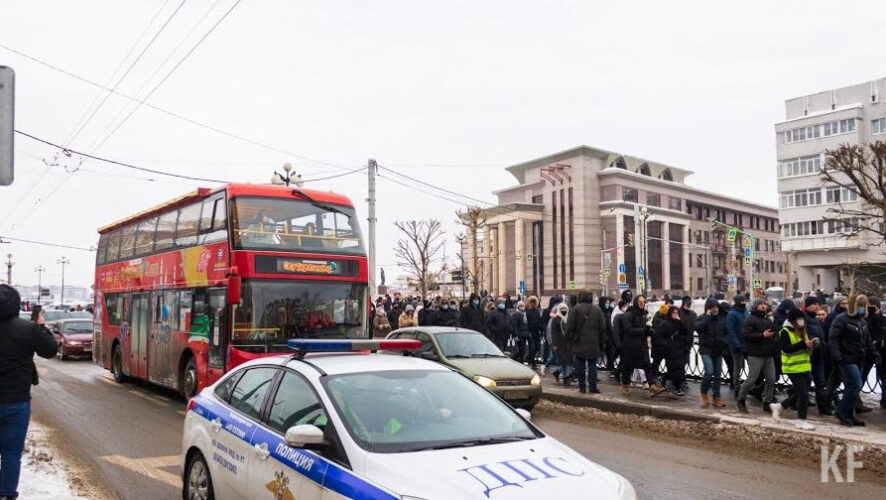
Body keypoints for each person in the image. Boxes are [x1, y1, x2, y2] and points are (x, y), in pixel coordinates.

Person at [1, 285, 58, 500]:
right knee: (11, 454)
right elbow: (51, 350)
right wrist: (41, 326)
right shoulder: (27, 329)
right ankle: (7, 494)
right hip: (16, 402)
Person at [829, 294, 879, 426]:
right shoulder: (841, 319)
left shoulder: (862, 322)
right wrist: (838, 356)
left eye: (864, 306)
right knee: (855, 384)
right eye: (860, 306)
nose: (862, 308)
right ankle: (841, 411)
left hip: (858, 358)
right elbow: (833, 339)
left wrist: (874, 353)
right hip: (846, 358)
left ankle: (850, 414)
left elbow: (867, 340)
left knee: (854, 387)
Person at [770, 309, 817, 430]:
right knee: (803, 394)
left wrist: (811, 345)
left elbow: (804, 344)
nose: (802, 321)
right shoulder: (784, 331)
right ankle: (801, 420)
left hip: (804, 366)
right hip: (792, 367)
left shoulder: (802, 330)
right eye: (799, 319)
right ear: (793, 320)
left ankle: (779, 407)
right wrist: (803, 344)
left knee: (801, 393)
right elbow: (786, 348)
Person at [618, 295, 666, 397]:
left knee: (647, 365)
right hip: (630, 345)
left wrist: (649, 332)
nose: (642, 303)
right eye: (640, 301)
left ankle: (652, 386)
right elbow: (628, 330)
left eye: (643, 302)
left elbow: (643, 329)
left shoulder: (643, 314)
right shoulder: (629, 315)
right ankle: (625, 386)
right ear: (636, 302)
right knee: (627, 366)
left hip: (641, 345)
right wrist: (643, 330)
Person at [737, 299, 777, 414]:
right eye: (760, 304)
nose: (763, 306)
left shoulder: (768, 319)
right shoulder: (750, 319)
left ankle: (767, 402)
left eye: (764, 304)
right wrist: (762, 335)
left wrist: (774, 338)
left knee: (771, 379)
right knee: (751, 380)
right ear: (755, 306)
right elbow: (745, 335)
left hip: (768, 354)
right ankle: (741, 400)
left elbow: (772, 333)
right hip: (755, 354)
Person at [564, 290, 606, 394]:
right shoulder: (597, 310)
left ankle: (582, 387)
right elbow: (602, 328)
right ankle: (593, 387)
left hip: (579, 342)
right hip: (594, 343)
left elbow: (569, 327)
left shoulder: (575, 309)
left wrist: (567, 339)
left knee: (580, 365)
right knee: (592, 365)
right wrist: (602, 343)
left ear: (580, 298)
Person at [695, 298, 728, 407]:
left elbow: (726, 333)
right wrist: (708, 318)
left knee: (718, 374)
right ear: (708, 308)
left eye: (716, 307)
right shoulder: (701, 318)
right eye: (712, 307)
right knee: (709, 371)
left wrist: (724, 341)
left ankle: (716, 397)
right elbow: (698, 328)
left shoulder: (721, 319)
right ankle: (703, 392)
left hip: (717, 350)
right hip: (706, 349)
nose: (715, 309)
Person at [803, 297, 831, 415]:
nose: (817, 306)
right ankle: (795, 404)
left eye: (817, 304)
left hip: (818, 356)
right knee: (806, 383)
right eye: (814, 304)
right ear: (808, 305)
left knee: (820, 382)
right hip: (808, 356)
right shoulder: (803, 318)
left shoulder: (814, 319)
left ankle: (823, 408)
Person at [656, 306, 691, 395]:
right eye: (673, 313)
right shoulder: (665, 323)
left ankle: (667, 379)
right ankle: (677, 387)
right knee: (673, 369)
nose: (675, 315)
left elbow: (686, 332)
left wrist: (680, 321)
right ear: (670, 313)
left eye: (677, 313)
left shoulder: (679, 323)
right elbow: (660, 336)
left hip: (680, 349)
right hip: (670, 350)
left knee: (679, 368)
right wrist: (667, 345)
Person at [863, 297, 886, 410]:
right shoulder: (865, 319)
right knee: (862, 375)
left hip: (882, 352)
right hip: (867, 352)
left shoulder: (883, 319)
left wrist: (877, 315)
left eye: (873, 306)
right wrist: (871, 316)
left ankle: (884, 400)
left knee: (883, 376)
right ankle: (855, 401)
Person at [726, 295, 749, 395]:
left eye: (745, 300)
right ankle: (737, 387)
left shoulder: (746, 312)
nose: (744, 302)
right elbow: (730, 331)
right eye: (742, 301)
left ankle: (750, 387)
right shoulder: (732, 314)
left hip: (747, 345)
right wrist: (737, 344)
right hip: (737, 346)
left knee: (752, 367)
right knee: (737, 367)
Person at [550, 303, 574, 384]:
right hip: (559, 343)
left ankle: (557, 372)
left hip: (568, 342)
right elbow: (553, 332)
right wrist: (554, 344)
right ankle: (565, 377)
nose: (564, 310)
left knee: (567, 360)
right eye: (562, 309)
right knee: (563, 360)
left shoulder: (568, 318)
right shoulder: (556, 319)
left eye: (565, 309)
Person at [679, 296, 697, 392]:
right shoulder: (678, 313)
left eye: (690, 303)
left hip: (688, 343)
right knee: (680, 363)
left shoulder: (693, 314)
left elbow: (696, 327)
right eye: (687, 303)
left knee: (685, 362)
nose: (689, 304)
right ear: (683, 303)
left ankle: (678, 379)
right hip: (679, 342)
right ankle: (681, 381)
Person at [525, 296, 544, 366]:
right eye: (531, 302)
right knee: (532, 347)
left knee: (538, 347)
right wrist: (528, 331)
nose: (532, 304)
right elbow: (526, 322)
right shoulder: (527, 311)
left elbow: (540, 321)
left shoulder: (537, 311)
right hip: (530, 332)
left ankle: (529, 358)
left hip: (537, 332)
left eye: (534, 302)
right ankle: (532, 361)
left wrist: (541, 331)